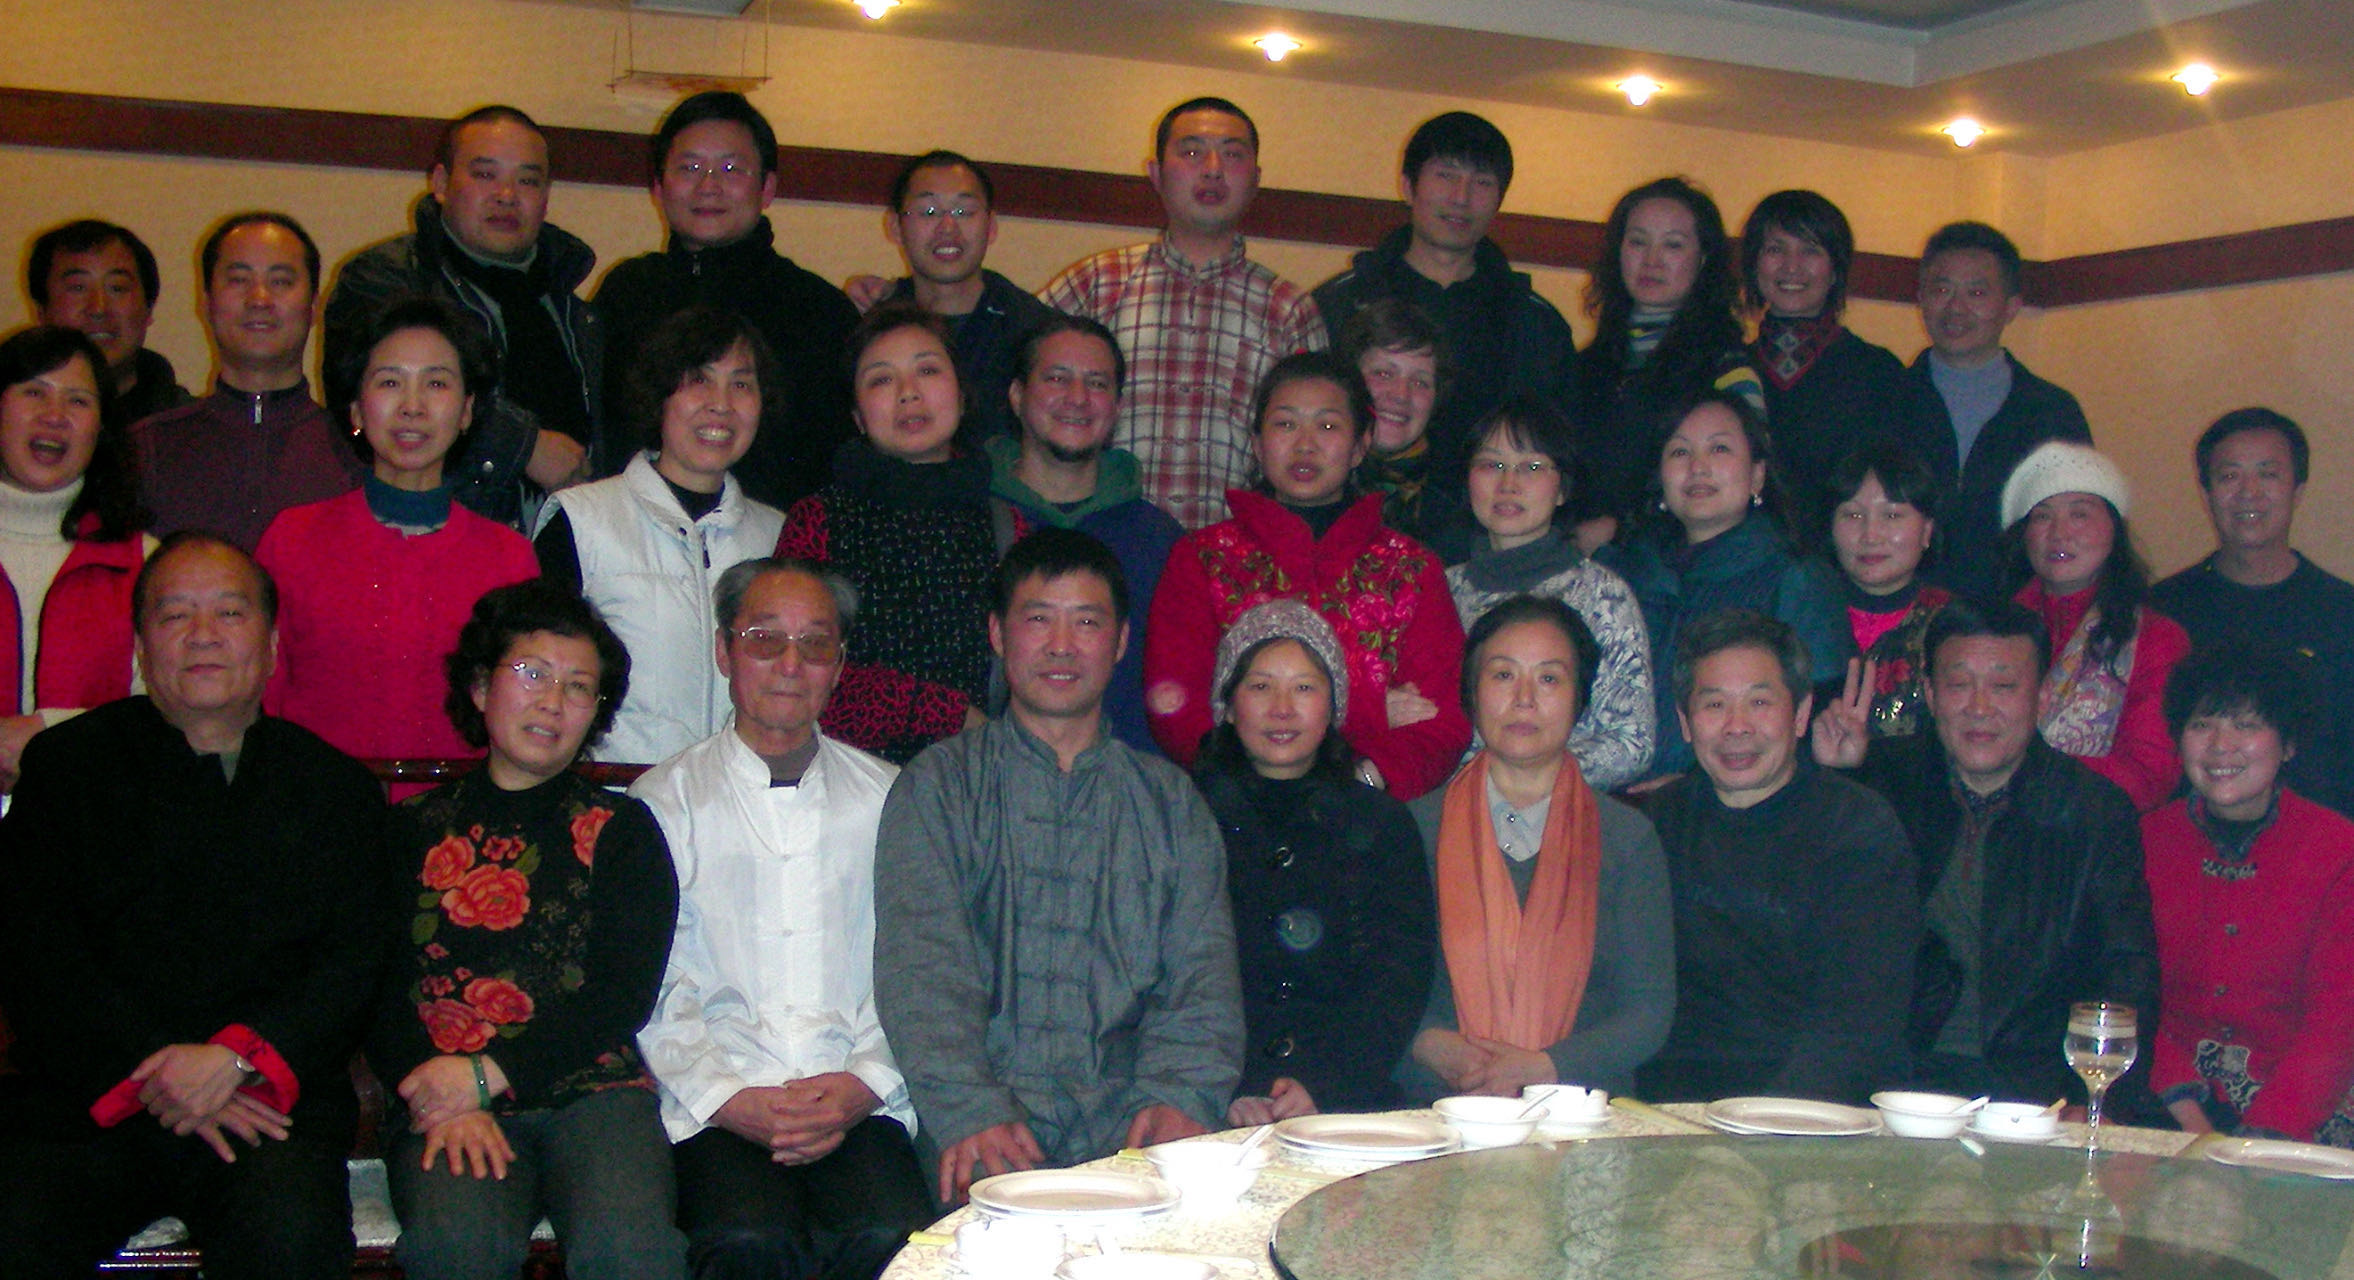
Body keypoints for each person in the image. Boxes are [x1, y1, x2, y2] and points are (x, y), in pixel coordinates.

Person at [0, 533, 386, 1278]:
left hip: (265, 1109)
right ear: (141, 646)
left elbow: (352, 966)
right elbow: (36, 952)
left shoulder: (335, 789)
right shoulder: (67, 768)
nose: (203, 634)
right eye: (175, 614)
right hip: (87, 1102)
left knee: (292, 1243)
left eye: (230, 613)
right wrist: (158, 1073)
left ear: (271, 645)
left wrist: (238, 1059)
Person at [875, 529, 1243, 1204]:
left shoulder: (1170, 801)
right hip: (983, 1120)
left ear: (1121, 641)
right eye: (1039, 619)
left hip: (1134, 1117)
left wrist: (1181, 1096)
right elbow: (922, 970)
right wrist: (970, 1108)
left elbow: (1202, 976)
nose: (1063, 646)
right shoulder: (939, 785)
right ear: (998, 632)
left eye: (1088, 623)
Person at [371, 580, 686, 1280]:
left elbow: (622, 994)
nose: (553, 702)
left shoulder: (623, 829)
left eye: (579, 687)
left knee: (630, 1252)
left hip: (593, 1095)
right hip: (444, 1092)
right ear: (482, 686)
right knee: (458, 1249)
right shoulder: (409, 829)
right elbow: (375, 984)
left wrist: (489, 1076)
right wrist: (442, 1093)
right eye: (532, 673)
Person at [633, 559, 932, 1279]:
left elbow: (919, 964)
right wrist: (726, 1097)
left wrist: (865, 1081)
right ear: (724, 651)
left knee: (891, 1237)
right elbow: (652, 980)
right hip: (719, 1101)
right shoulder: (662, 802)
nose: (790, 665)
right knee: (747, 1243)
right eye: (765, 639)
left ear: (840, 664)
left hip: (859, 1098)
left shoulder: (891, 798)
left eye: (816, 643)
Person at [1816, 598, 2162, 1118]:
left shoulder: (2093, 812)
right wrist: (1836, 781)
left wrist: (2097, 1099)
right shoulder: (1881, 785)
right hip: (1889, 1082)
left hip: (2033, 1093)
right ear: (1930, 693)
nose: (1980, 708)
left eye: (2004, 686)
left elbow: (2125, 974)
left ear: (2040, 696)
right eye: (1959, 684)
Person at [1145, 350, 1470, 800]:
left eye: (1328, 426)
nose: (1305, 444)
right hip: (1231, 807)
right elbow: (1174, 704)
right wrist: (1371, 709)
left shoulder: (1410, 569)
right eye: (1285, 424)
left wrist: (1362, 781)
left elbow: (1443, 722)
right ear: (1257, 443)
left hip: (1367, 810)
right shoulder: (1203, 558)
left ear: (1361, 445)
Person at [1638, 609, 1919, 1105]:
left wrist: (1768, 1121)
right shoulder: (1654, 826)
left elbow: (1857, 1024)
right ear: (1684, 721)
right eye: (1714, 704)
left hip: (1808, 1108)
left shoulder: (1856, 830)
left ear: (1802, 713)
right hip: (1665, 1103)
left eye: (1760, 702)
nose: (1737, 727)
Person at [257, 296, 539, 786]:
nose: (412, 406)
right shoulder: (292, 539)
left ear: (467, 410)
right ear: (355, 407)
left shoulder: (509, 559)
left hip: (460, 820)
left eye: (436, 383)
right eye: (390, 382)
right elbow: (261, 696)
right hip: (315, 808)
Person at [1402, 595, 1674, 1101]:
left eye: (1549, 678)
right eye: (1503, 675)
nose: (1524, 698)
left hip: (1583, 1113)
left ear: (1580, 699)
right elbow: (1375, 994)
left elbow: (1648, 1012)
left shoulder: (1627, 839)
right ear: (1472, 692)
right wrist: (1428, 1045)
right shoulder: (1413, 830)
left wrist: (1544, 1067)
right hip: (1439, 1110)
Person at [1191, 601, 1434, 1121]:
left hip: (1347, 1103)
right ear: (1229, 706)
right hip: (1209, 1099)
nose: (1282, 709)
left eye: (1304, 687)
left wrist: (1326, 1083)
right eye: (1260, 686)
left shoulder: (1383, 823)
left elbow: (1398, 976)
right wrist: (1224, 1088)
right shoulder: (1183, 819)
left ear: (1333, 705)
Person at [1041, 95, 1324, 529]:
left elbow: (1319, 454)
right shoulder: (1094, 283)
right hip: (1100, 544)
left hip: (1235, 554)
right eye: (1191, 152)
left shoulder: (1289, 309)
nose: (1212, 169)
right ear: (1155, 174)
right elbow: (1026, 397)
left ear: (1255, 179)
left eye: (1232, 154)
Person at [325, 104, 606, 526]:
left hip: (569, 541)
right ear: (441, 183)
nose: (506, 195)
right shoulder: (388, 280)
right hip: (427, 533)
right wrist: (525, 447)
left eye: (527, 180)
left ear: (546, 197)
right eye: (485, 174)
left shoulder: (575, 311)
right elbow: (360, 402)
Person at [536, 306, 785, 766]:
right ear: (659, 395)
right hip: (613, 794)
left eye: (741, 384)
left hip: (742, 800)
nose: (721, 404)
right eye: (699, 379)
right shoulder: (581, 520)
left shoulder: (781, 536)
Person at [595, 91, 861, 510]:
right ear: (658, 186)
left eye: (731, 169)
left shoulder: (819, 309)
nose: (709, 186)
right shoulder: (627, 293)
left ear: (767, 187)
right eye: (690, 168)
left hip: (776, 537)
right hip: (631, 531)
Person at [2143, 643, 2354, 1147]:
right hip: (2165, 1100)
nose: (2221, 745)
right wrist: (2193, 1125)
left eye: (2247, 725)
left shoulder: (2338, 851)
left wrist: (2256, 1146)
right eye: (2202, 725)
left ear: (2289, 745)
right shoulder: (2141, 841)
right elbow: (2130, 996)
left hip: (2298, 1111)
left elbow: (2337, 1021)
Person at [776, 303, 996, 763]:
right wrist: (946, 715)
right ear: (858, 416)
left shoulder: (1004, 524)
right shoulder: (820, 519)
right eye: (881, 379)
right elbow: (794, 668)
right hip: (847, 780)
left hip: (980, 782)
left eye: (928, 371)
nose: (908, 393)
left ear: (961, 394)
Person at [1311, 111, 1576, 493]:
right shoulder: (1340, 303)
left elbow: (1560, 447)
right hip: (1353, 511)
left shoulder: (1536, 323)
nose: (1461, 198)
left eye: (1481, 182)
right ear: (1408, 186)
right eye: (1446, 176)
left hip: (1491, 519)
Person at [1598, 390, 1851, 786]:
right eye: (1680, 452)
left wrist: (1696, 786)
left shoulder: (1797, 579)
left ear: (1757, 475)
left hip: (1737, 800)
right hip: (1612, 801)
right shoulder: (1622, 574)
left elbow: (1815, 727)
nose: (1698, 467)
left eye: (1719, 449)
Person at [985, 313, 1183, 755]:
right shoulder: (968, 523)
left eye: (1097, 383)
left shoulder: (1160, 541)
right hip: (987, 782)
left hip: (1129, 783)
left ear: (1117, 406)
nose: (1077, 398)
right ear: (1017, 395)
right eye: (1057, 378)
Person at [2153, 408, 2354, 816]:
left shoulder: (2342, 612)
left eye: (2268, 474)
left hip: (2325, 840)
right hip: (2187, 837)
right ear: (2206, 494)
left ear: (2298, 490)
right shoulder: (2160, 611)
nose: (2249, 492)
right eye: (2229, 476)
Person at [1445, 397, 1654, 789]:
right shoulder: (1438, 592)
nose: (1508, 484)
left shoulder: (1601, 595)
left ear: (1562, 489)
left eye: (1532, 467)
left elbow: (1631, 742)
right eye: (1492, 465)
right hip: (1451, 808)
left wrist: (1517, 781)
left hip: (1565, 809)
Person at [131, 212, 359, 552]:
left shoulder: (356, 451)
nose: (259, 299)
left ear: (313, 306)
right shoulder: (147, 450)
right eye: (238, 280)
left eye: (281, 281)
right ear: (206, 303)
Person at [1569, 176, 1764, 546]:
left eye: (1673, 245)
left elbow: (1738, 488)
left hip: (1678, 559)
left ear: (1703, 259)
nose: (1651, 260)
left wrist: (1618, 529)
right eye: (1637, 242)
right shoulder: (1584, 365)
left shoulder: (1726, 368)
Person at [1903, 220, 2091, 601]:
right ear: (1921, 298)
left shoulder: (2052, 412)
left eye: (1976, 292)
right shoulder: (1883, 399)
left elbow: (2081, 529)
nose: (1956, 308)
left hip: (2017, 618)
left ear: (2011, 307)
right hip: (1898, 615)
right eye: (1941, 290)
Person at [0, 325, 154, 790]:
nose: (54, 416)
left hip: (95, 822)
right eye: (34, 392)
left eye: (78, 401)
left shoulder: (145, 564)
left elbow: (173, 713)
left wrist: (53, 734)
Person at [1998, 440, 2188, 813]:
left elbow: (2149, 775)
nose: (2059, 533)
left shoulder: (2156, 639)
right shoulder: (1990, 628)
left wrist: (2022, 772)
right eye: (2042, 516)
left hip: (2102, 830)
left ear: (2114, 528)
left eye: (2080, 514)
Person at [1739, 189, 1924, 541]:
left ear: (1836, 268)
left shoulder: (1878, 373)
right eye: (1775, 249)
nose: (1791, 266)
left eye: (1810, 250)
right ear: (1754, 264)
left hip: (1845, 559)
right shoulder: (1728, 368)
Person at [853, 149, 1054, 445]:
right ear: (896, 227)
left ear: (991, 227)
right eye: (929, 212)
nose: (948, 227)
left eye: (964, 212)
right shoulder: (869, 322)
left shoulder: (1033, 330)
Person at [1336, 299, 1475, 559]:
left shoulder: (1461, 505)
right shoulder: (1310, 484)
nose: (1401, 395)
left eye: (1420, 382)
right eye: (1383, 374)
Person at [1827, 445, 1950, 739]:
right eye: (1853, 515)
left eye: (1892, 516)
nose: (1870, 536)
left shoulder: (1952, 625)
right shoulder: (1804, 611)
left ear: (1926, 531)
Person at [24, 219, 192, 424]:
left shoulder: (194, 431)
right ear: (41, 311)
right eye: (78, 288)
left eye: (117, 288)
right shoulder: (13, 427)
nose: (99, 308)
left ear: (148, 310)